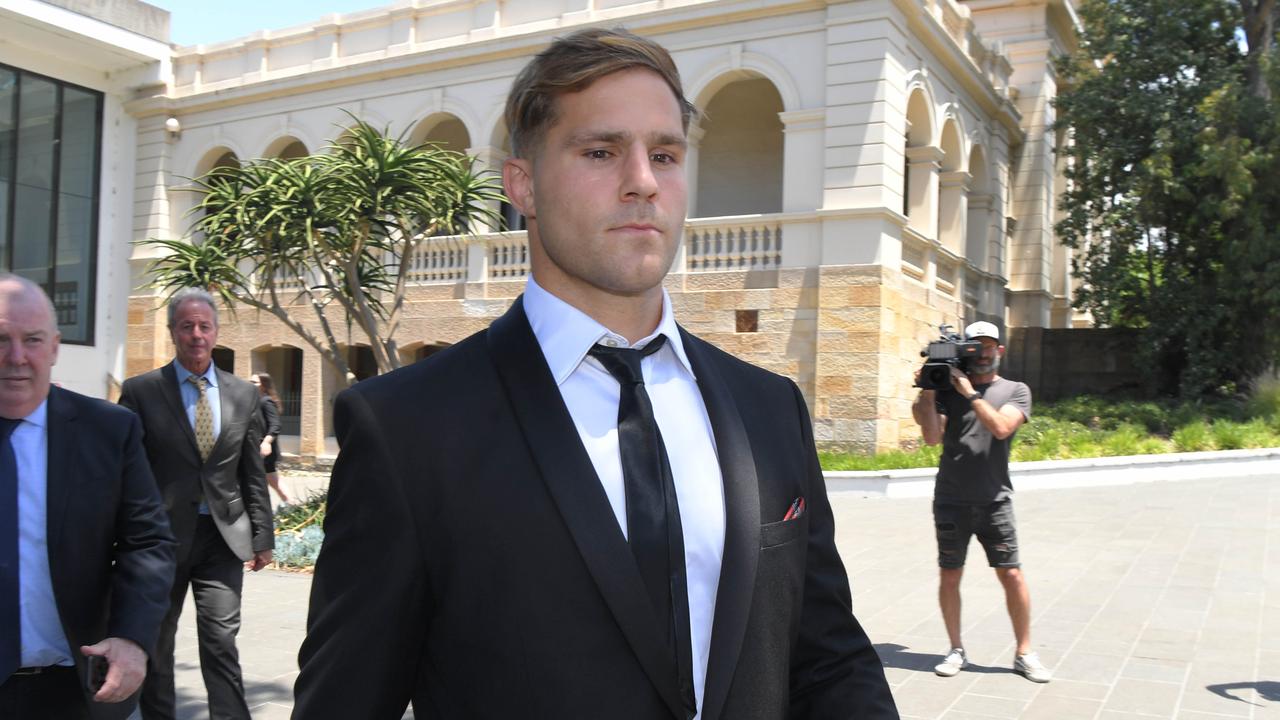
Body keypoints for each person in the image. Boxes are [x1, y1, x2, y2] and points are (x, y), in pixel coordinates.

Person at [292, 27, 897, 720]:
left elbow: (829, 657)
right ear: (523, 184)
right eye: (601, 151)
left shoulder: (769, 409)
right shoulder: (409, 429)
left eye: (664, 154)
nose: (643, 181)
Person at [0, 274, 176, 720]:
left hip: (77, 688)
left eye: (32, 340)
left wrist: (133, 638)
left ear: (55, 346)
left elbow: (148, 542)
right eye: (0, 339)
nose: (16, 357)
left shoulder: (109, 430)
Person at [119, 288, 275, 720]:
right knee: (157, 643)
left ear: (216, 332)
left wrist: (263, 536)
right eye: (186, 326)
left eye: (204, 326)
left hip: (221, 538)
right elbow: (124, 474)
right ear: (172, 332)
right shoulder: (141, 392)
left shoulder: (244, 395)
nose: (196, 334)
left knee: (221, 640)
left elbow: (250, 473)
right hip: (160, 542)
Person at [911, 320, 1052, 683]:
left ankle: (1024, 652)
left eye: (989, 345)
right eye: (975, 346)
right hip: (951, 499)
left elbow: (1002, 428)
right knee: (950, 574)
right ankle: (956, 648)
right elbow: (930, 437)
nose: (983, 352)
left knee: (1012, 574)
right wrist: (928, 390)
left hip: (994, 500)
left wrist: (969, 391)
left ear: (999, 350)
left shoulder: (1015, 390)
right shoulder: (947, 391)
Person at [250, 372, 289, 504]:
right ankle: (291, 504)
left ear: (263, 385)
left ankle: (292, 504)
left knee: (270, 480)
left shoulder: (266, 402)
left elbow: (275, 424)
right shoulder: (256, 401)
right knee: (271, 480)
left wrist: (266, 442)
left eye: (254, 382)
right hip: (258, 448)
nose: (251, 384)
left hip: (265, 450)